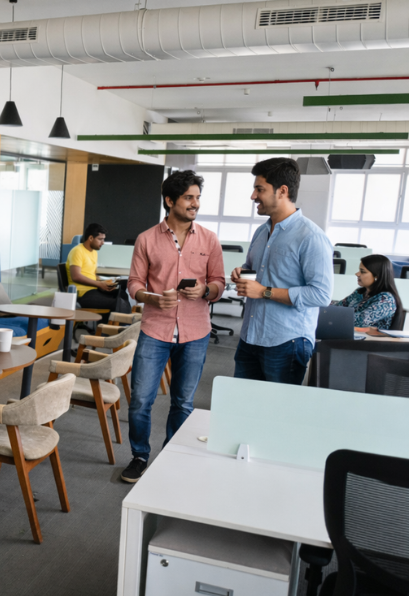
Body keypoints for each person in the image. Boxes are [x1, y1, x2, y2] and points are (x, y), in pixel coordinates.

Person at [121, 171, 225, 484]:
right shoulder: (147, 239)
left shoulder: (209, 239)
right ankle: (140, 455)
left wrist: (205, 291)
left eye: (197, 197)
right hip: (156, 328)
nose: (196, 204)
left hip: (195, 331)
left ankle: (172, 454)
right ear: (170, 201)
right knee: (140, 399)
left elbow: (218, 282)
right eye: (189, 198)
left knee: (183, 401)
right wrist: (150, 297)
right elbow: (134, 284)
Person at [231, 157, 333, 384]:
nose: (253, 196)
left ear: (282, 191)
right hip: (250, 337)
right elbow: (252, 269)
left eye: (259, 189)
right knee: (242, 408)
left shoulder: (311, 237)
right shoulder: (261, 231)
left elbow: (321, 294)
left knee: (277, 415)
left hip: (286, 342)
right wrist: (243, 272)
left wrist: (264, 291)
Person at [336, 254, 403, 330]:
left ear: (377, 276)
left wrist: (331, 315)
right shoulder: (360, 292)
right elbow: (338, 306)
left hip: (371, 340)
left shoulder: (385, 300)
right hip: (352, 336)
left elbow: (359, 321)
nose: (357, 274)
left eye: (362, 271)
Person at [67, 223, 122, 311]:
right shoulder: (77, 251)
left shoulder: (94, 252)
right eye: (100, 239)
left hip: (93, 290)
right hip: (83, 294)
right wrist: (99, 284)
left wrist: (106, 282)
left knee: (122, 295)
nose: (103, 243)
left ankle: (117, 323)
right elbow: (76, 276)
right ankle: (110, 324)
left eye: (103, 239)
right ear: (91, 238)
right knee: (117, 303)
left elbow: (91, 275)